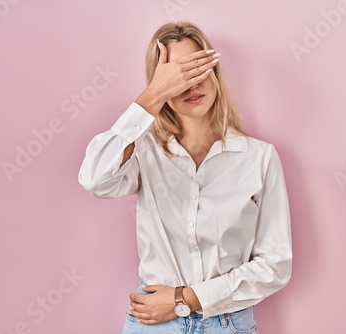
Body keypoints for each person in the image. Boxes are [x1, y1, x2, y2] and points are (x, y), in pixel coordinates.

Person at [78, 21, 292, 334]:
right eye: (177, 75)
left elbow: (275, 264)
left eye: (196, 69)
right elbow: (95, 179)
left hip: (227, 322)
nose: (190, 85)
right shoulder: (144, 151)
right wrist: (152, 96)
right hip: (151, 321)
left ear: (214, 72)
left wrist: (186, 298)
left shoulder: (258, 157)